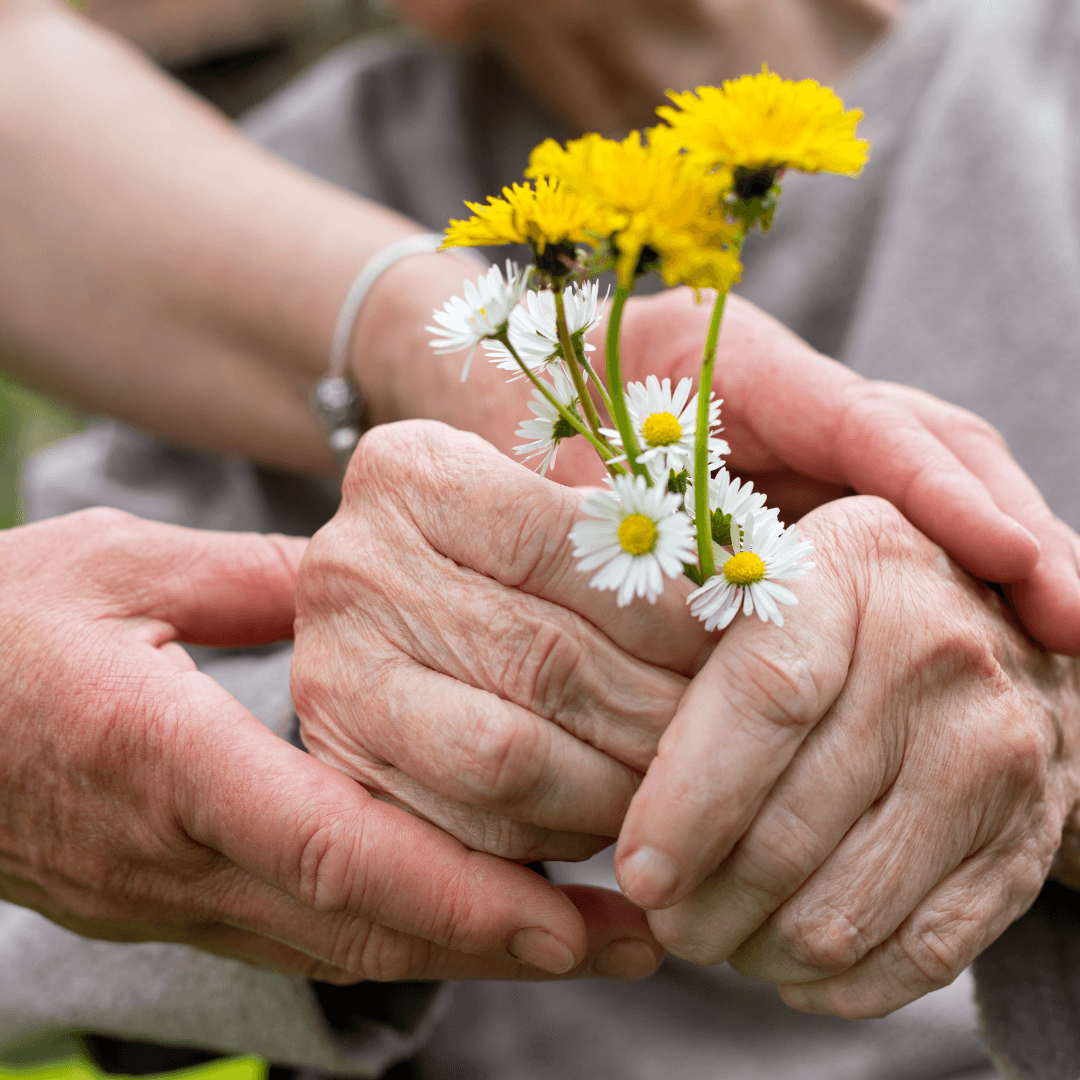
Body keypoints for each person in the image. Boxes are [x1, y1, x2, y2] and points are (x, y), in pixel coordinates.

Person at [1, 2, 1077, 1080]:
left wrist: (1052, 754)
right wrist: (396, 733)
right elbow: (85, 796)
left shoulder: (1044, 85)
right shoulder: (259, 188)